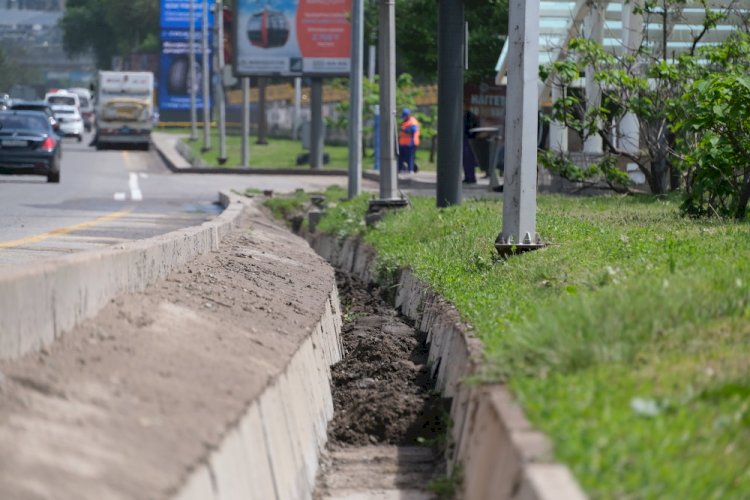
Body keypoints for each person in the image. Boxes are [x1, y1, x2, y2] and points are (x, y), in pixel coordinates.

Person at [398, 108, 420, 173]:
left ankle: (411, 170)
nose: (403, 118)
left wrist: (404, 129)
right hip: (403, 143)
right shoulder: (405, 121)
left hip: (410, 143)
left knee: (410, 157)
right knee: (401, 157)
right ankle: (400, 169)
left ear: (408, 115)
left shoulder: (413, 121)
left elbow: (413, 130)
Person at [462, 110, 479, 183]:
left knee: (468, 159)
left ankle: (470, 177)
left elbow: (472, 128)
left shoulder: (470, 116)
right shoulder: (465, 116)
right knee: (466, 159)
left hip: (469, 139)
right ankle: (468, 176)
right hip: (466, 139)